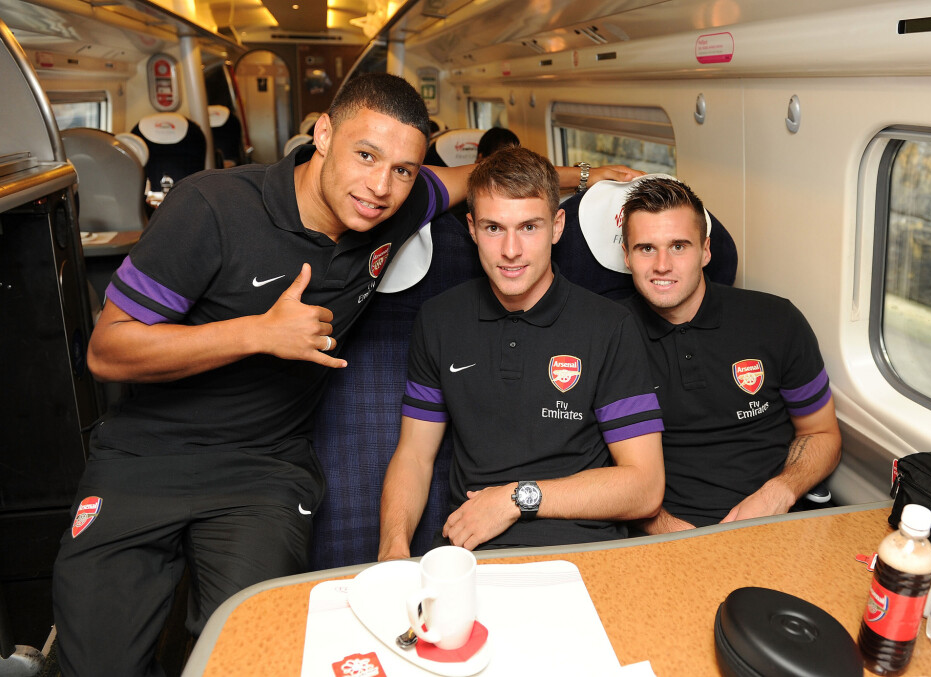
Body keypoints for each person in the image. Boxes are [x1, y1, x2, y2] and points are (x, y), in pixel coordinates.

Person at [52, 72, 642, 677]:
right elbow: (107, 350)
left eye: (403, 169)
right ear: (324, 134)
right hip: (147, 454)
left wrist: (586, 180)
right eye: (366, 155)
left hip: (265, 468)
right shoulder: (211, 206)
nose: (380, 186)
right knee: (97, 662)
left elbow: (482, 182)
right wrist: (256, 332)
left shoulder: (397, 202)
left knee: (248, 652)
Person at [377, 147, 665, 558]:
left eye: (529, 227)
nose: (511, 250)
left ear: (557, 226)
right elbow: (415, 457)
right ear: (472, 229)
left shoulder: (609, 326)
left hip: (584, 549)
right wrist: (393, 549)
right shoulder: (439, 319)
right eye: (494, 228)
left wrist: (515, 499)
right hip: (476, 551)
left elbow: (645, 487)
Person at [619, 176, 841, 532]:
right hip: (659, 532)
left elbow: (821, 432)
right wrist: (664, 529)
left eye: (679, 246)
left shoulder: (777, 321)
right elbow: (596, 461)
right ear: (626, 255)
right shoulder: (607, 336)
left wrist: (779, 492)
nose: (662, 265)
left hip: (772, 522)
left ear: (705, 250)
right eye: (646, 248)